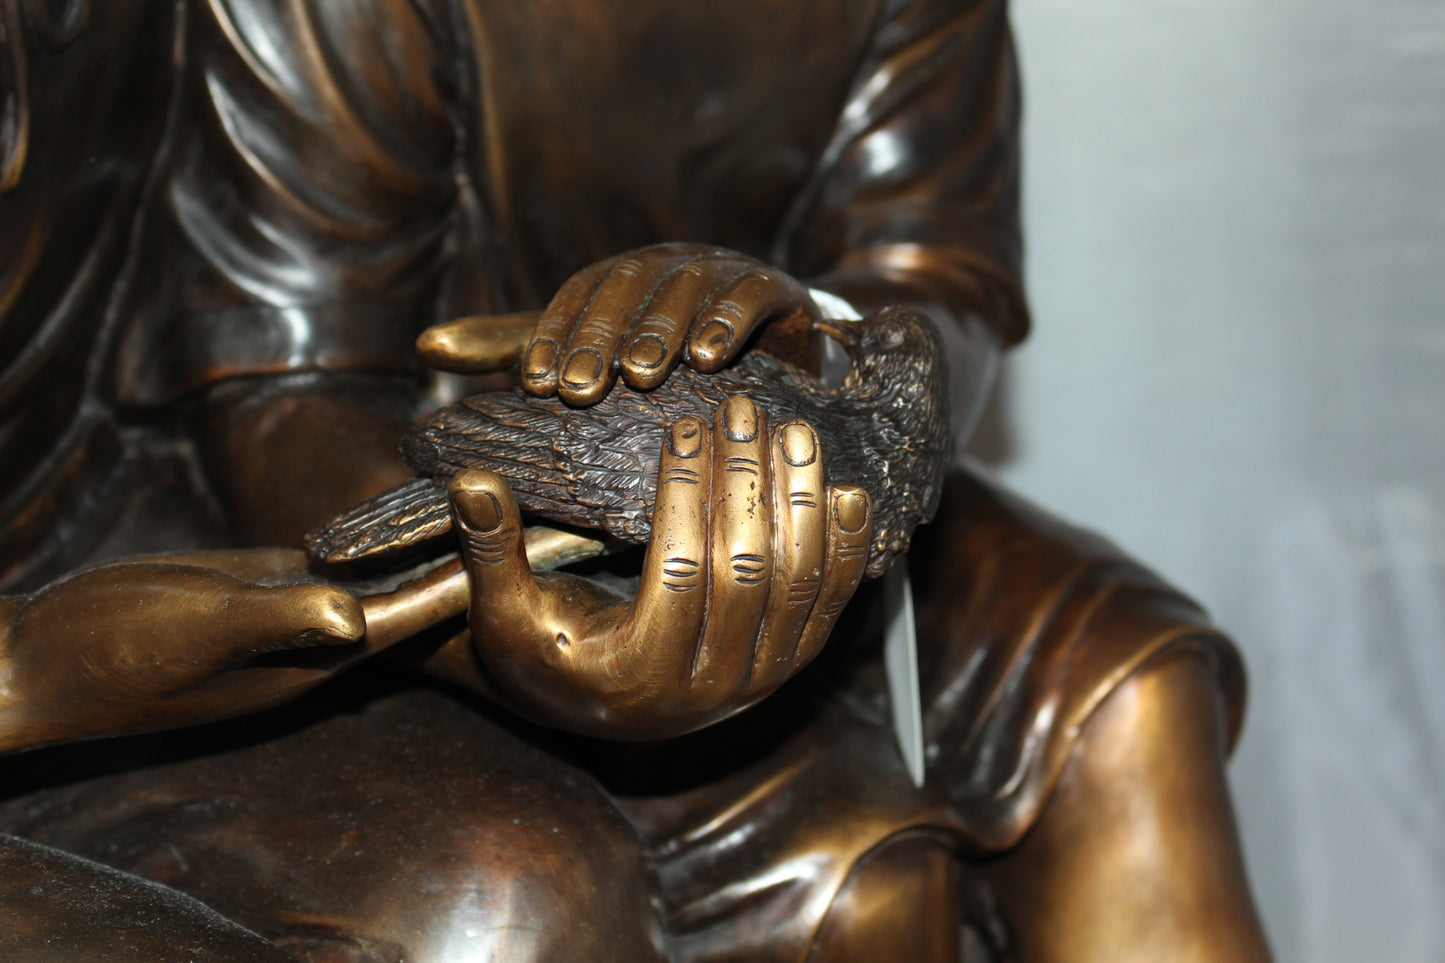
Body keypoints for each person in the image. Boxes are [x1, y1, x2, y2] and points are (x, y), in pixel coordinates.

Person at [0, 0, 1271, 959]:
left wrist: (829, 351)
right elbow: (286, 382)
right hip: (428, 468)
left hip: (815, 452)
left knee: (1127, 677)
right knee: (767, 874)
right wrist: (516, 625)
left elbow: (936, 278)